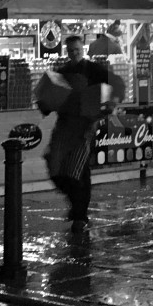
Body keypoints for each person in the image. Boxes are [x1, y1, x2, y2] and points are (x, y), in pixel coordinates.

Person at [40, 32, 126, 222]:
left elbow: (118, 84)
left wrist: (111, 104)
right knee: (54, 165)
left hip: (85, 126)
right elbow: (50, 98)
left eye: (77, 50)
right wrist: (45, 105)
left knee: (78, 169)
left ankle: (80, 212)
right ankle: (77, 206)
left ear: (83, 50)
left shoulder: (94, 70)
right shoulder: (61, 72)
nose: (74, 54)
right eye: (71, 51)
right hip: (64, 125)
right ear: (67, 52)